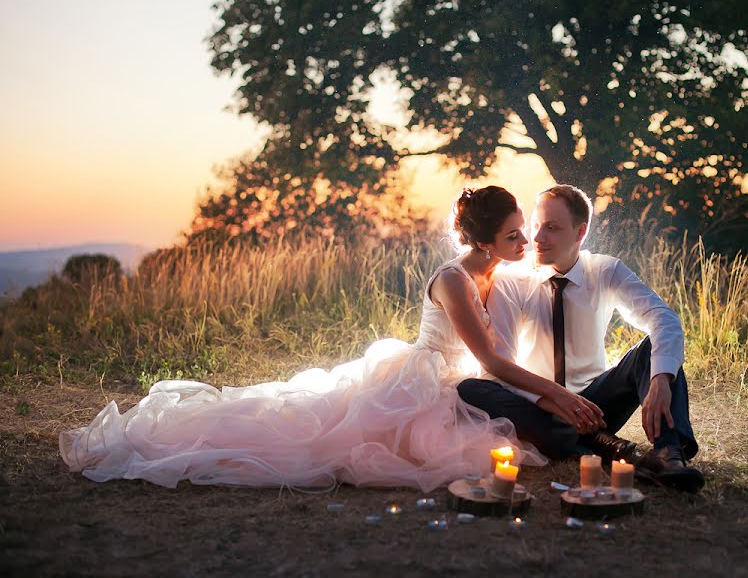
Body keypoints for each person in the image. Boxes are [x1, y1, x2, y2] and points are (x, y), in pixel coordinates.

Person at [59, 186, 597, 492]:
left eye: (524, 230)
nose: (525, 241)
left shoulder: (496, 275)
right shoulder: (454, 280)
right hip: (427, 383)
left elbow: (512, 345)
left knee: (511, 436)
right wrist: (559, 397)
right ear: (482, 241)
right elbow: (490, 360)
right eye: (513, 235)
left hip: (466, 387)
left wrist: (559, 386)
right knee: (313, 439)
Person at [458, 185, 705, 492]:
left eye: (551, 228)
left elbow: (664, 318)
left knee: (655, 349)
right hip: (540, 407)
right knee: (471, 388)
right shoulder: (512, 280)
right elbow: (499, 365)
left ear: (580, 232)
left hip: (595, 408)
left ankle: (668, 454)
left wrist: (660, 380)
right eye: (535, 226)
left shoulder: (604, 270)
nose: (537, 238)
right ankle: (601, 447)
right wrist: (552, 400)